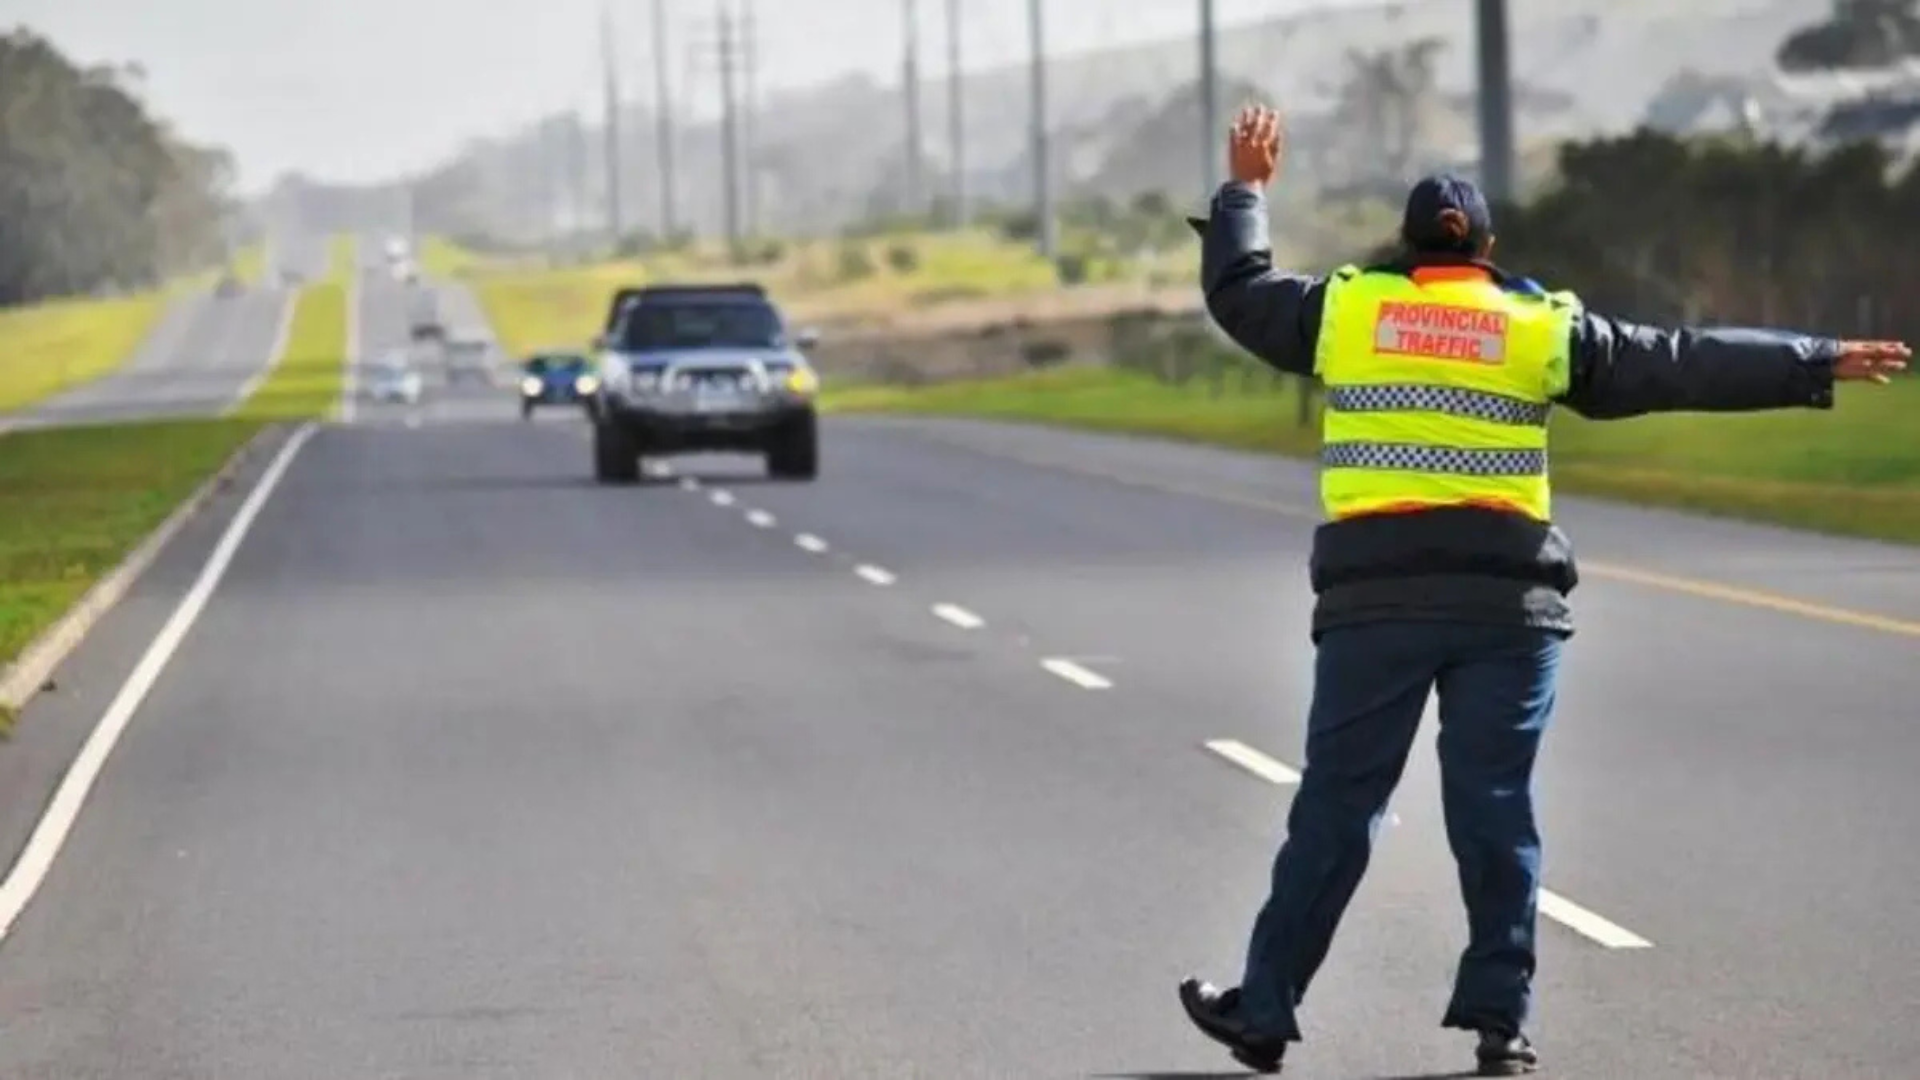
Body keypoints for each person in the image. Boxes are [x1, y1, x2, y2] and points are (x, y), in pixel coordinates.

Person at [1174, 104, 1910, 1077]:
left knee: (1339, 809)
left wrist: (1247, 189)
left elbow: (1240, 288)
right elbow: (1676, 362)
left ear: (1405, 247)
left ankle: (1264, 1011)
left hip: (1376, 606)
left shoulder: (1348, 313)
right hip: (1508, 610)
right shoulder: (1536, 325)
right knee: (1493, 806)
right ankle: (1500, 1026)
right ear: (1487, 248)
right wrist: (1812, 360)